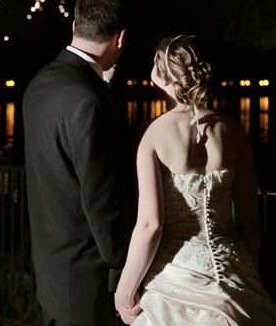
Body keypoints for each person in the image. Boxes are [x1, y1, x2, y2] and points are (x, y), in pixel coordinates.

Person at [115, 34, 276, 325]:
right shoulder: (233, 131)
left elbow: (150, 225)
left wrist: (124, 290)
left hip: (174, 275)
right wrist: (244, 270)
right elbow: (250, 222)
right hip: (233, 267)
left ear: (162, 77)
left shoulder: (153, 136)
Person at [23, 0, 137, 326]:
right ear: (120, 39)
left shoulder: (40, 84)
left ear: (75, 25)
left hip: (50, 267)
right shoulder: (89, 101)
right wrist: (126, 269)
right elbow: (102, 201)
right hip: (87, 282)